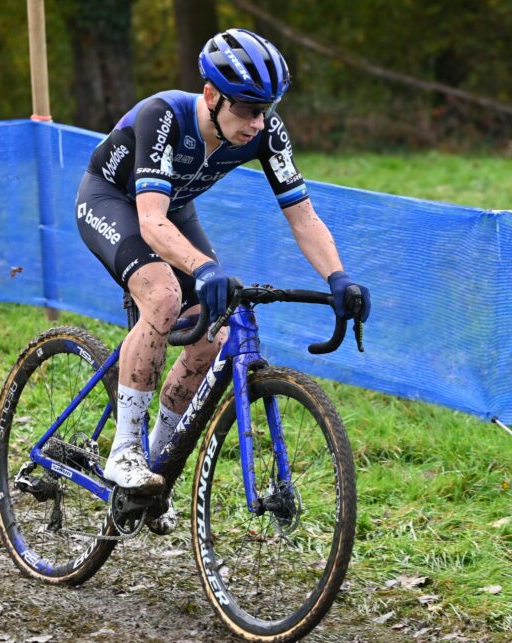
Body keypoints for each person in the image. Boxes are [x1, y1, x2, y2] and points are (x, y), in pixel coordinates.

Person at [75, 28, 370, 532]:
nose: (257, 123)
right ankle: (124, 451)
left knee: (216, 332)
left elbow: (303, 217)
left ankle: (156, 463)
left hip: (175, 210)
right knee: (164, 296)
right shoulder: (162, 116)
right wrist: (203, 268)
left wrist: (338, 277)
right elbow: (150, 221)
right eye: (247, 109)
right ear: (211, 96)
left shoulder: (265, 131)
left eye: (266, 110)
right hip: (114, 203)